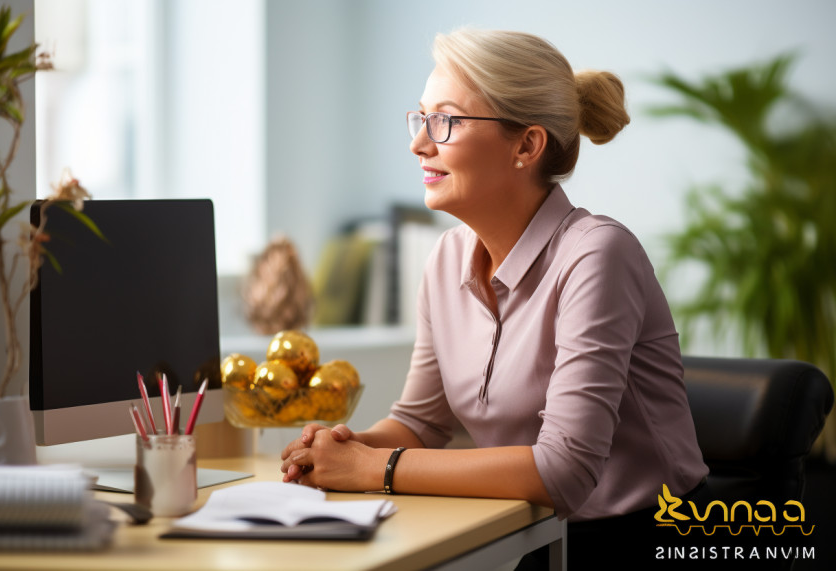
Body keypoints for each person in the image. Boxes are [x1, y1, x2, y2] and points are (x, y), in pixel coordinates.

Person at [280, 28, 709, 567]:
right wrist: (346, 449)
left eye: (447, 121)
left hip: (644, 539)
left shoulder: (598, 254)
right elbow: (422, 422)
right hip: (541, 535)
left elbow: (565, 471)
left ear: (527, 145)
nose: (419, 143)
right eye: (420, 118)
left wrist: (373, 468)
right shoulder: (445, 259)